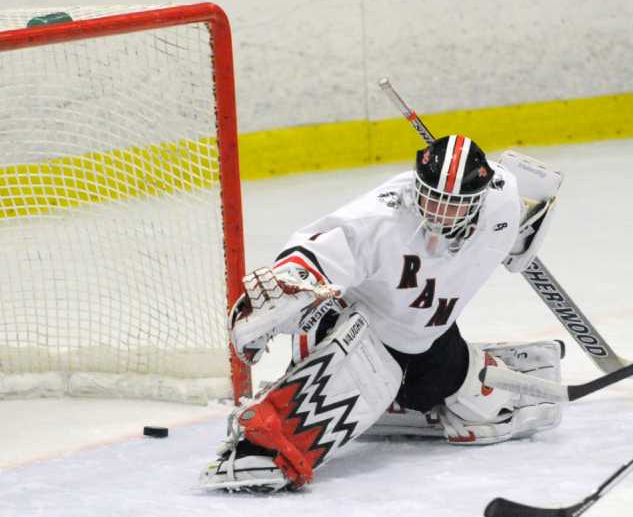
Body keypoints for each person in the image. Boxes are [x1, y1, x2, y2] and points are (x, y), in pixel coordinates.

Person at [200, 135, 566, 492]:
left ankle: (391, 402)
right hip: (356, 334)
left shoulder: (502, 201)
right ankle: (262, 446)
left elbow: (531, 190)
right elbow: (317, 253)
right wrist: (279, 294)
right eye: (432, 197)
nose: (440, 211)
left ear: (480, 198)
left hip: (427, 338)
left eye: (454, 204)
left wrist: (521, 236)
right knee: (343, 386)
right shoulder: (379, 219)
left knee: (483, 412)